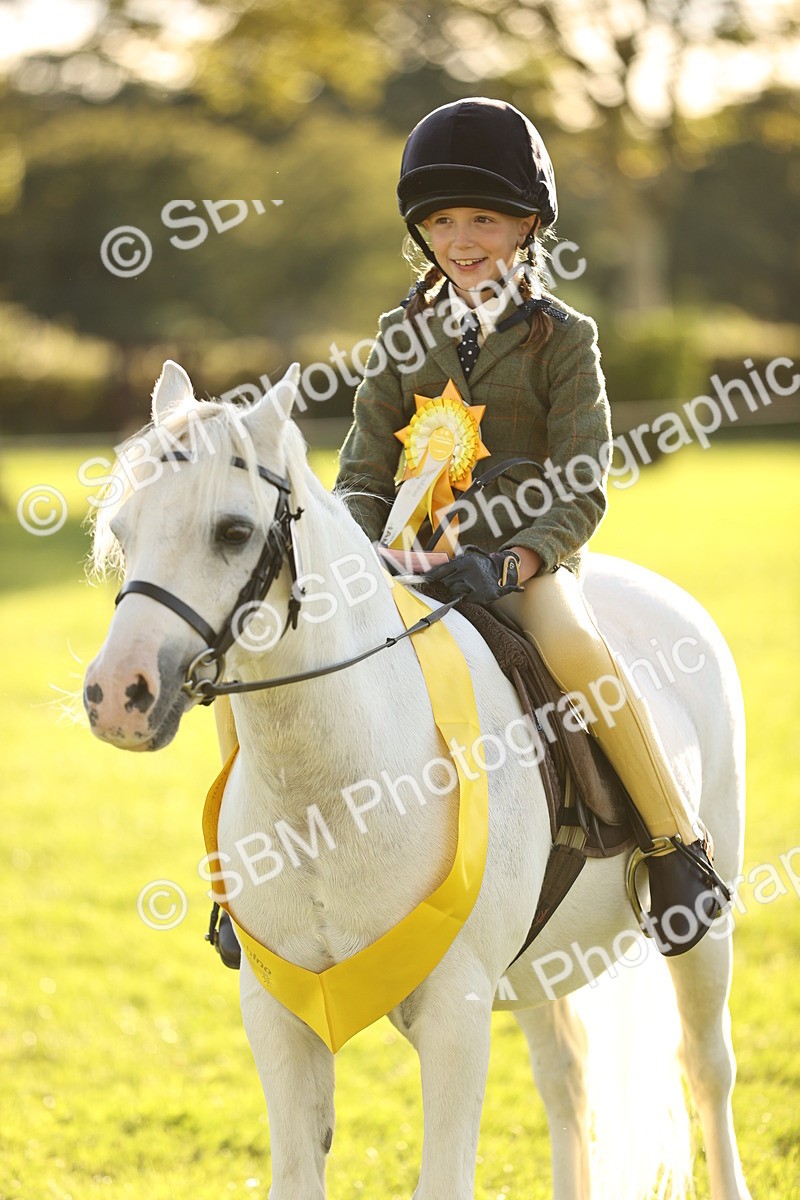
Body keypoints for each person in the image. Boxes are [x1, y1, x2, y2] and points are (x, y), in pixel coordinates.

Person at [334, 96, 729, 955]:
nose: (461, 239)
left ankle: (673, 845)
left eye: (483, 217)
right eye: (441, 220)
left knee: (577, 650)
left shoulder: (564, 338)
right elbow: (363, 471)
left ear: (526, 226)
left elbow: (584, 482)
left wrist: (511, 565)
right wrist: (361, 550)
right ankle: (241, 883)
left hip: (527, 562)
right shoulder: (399, 336)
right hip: (409, 553)